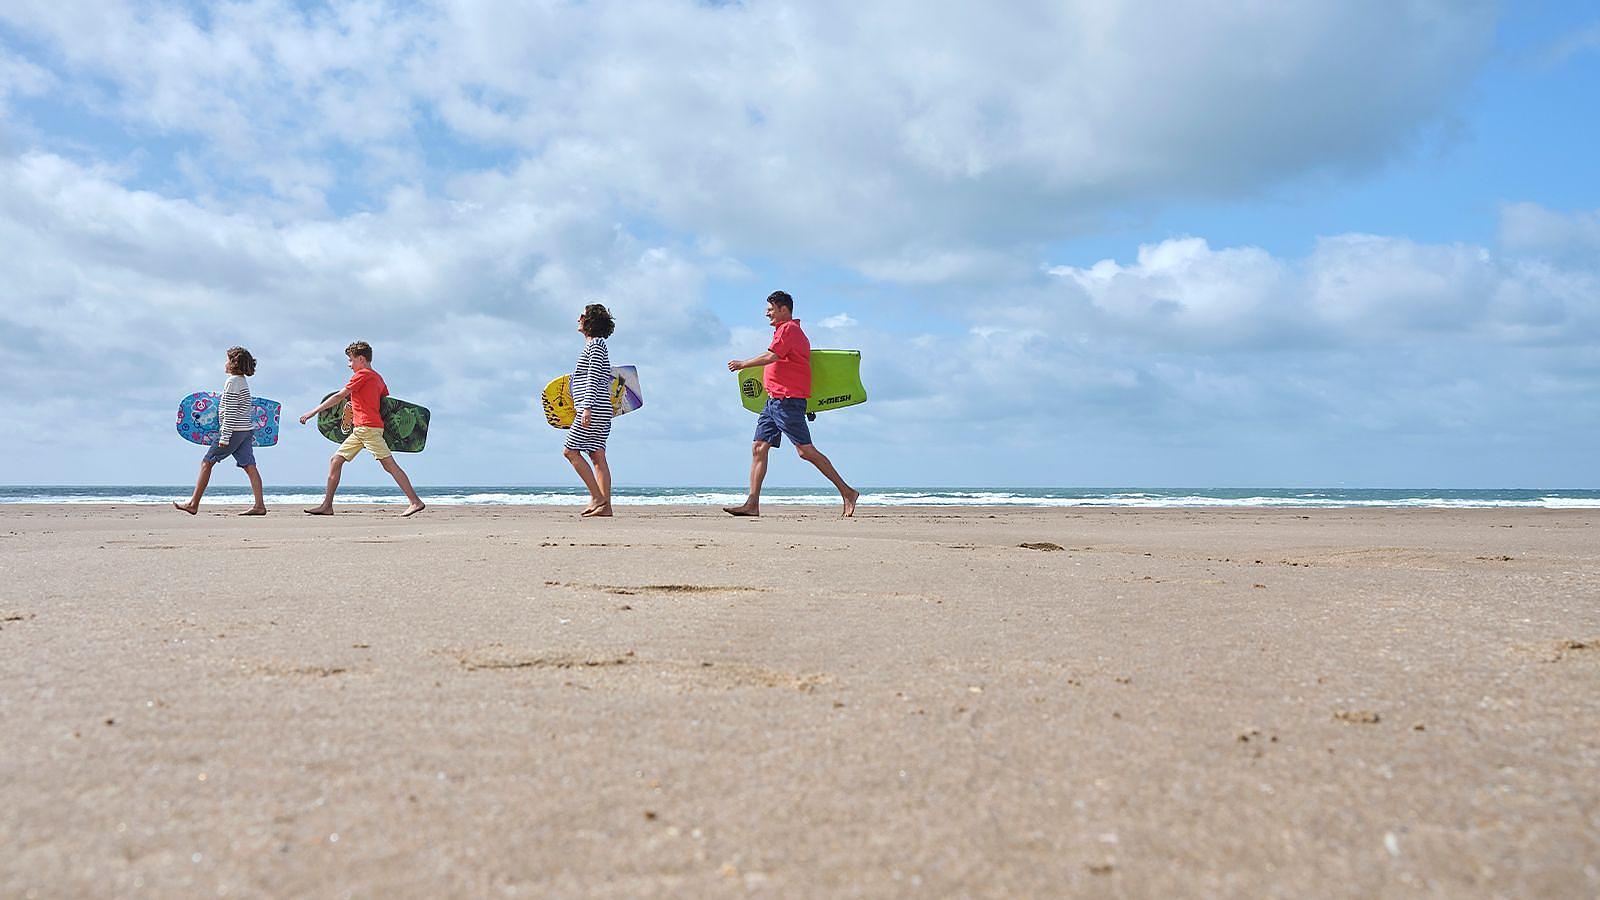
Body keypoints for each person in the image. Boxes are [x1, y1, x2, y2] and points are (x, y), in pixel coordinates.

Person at [724, 291, 859, 517]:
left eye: (770, 309)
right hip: (772, 401)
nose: (767, 313)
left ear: (783, 309)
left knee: (805, 451)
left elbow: (771, 357)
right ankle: (752, 503)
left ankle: (847, 492)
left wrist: (742, 364)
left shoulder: (789, 330)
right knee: (759, 448)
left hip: (787, 400)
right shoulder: (784, 331)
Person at [298, 341, 425, 517]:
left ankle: (415, 501)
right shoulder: (378, 378)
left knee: (390, 466)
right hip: (361, 429)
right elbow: (383, 402)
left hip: (368, 428)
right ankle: (327, 505)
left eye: (351, 360)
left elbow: (339, 396)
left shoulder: (362, 375)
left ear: (361, 359)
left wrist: (313, 412)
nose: (349, 365)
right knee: (336, 460)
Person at [174, 346, 267, 516]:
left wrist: (225, 436)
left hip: (233, 431)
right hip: (245, 429)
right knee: (249, 466)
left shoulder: (232, 382)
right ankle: (259, 505)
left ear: (233, 363)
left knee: (207, 462)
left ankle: (193, 503)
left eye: (227, 360)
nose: (224, 363)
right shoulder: (242, 381)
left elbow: (230, 410)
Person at [565, 304, 616, 517]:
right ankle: (605, 507)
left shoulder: (595, 346)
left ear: (590, 322)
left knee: (570, 451)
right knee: (597, 455)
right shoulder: (597, 345)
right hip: (601, 408)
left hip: (593, 408)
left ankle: (597, 497)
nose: (579, 318)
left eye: (583, 315)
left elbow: (594, 377)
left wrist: (586, 408)